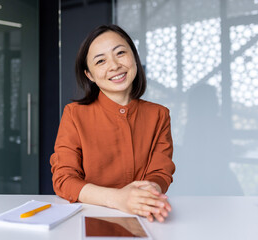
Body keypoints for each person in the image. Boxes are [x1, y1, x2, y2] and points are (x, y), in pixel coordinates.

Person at [50, 24, 175, 222]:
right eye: (100, 61)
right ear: (89, 75)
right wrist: (118, 199)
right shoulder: (74, 114)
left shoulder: (159, 114)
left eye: (120, 53)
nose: (114, 65)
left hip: (143, 216)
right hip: (88, 217)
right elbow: (64, 179)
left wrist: (148, 195)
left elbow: (160, 171)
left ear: (134, 57)